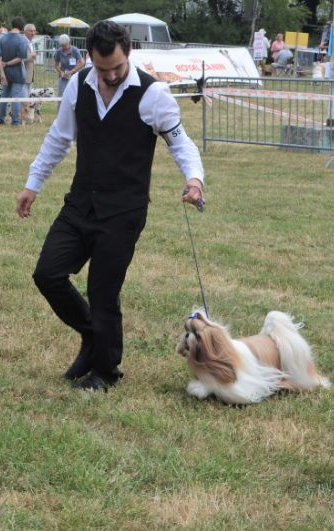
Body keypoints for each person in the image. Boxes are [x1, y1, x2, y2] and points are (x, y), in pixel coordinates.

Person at [16, 20, 205, 392]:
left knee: (103, 290)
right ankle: (93, 335)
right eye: (103, 69)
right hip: (81, 202)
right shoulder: (78, 85)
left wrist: (194, 180)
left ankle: (105, 371)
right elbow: (59, 138)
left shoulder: (154, 95)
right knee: (47, 273)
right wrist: (32, 184)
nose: (111, 75)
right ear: (90, 59)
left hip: (124, 211)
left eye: (117, 67)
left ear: (128, 54)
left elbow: (181, 144)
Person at [0, 17, 31, 126]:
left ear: (12, 25)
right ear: (21, 28)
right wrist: (8, 63)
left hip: (5, 73)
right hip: (18, 73)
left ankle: (1, 120)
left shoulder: (2, 39)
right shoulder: (23, 40)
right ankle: (15, 121)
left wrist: (2, 73)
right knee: (16, 98)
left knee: (4, 97)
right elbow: (20, 58)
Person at [22, 23, 38, 97]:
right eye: (31, 31)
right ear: (25, 31)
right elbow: (21, 58)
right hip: (23, 75)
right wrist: (32, 55)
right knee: (24, 100)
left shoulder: (31, 42)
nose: (33, 33)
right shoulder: (23, 42)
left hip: (30, 75)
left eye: (34, 31)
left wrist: (33, 56)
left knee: (27, 98)